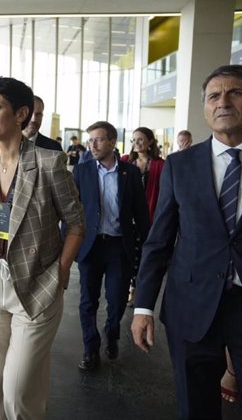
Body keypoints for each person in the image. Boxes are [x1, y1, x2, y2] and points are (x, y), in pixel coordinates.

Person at [0, 77, 85, 419]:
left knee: (17, 390)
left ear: (21, 114)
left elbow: (76, 224)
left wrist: (58, 275)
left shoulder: (48, 162)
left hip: (35, 285)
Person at [131, 65, 242, 419]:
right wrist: (143, 306)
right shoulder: (180, 166)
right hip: (190, 307)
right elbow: (158, 241)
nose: (223, 101)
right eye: (214, 96)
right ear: (206, 108)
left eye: (235, 93)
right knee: (196, 409)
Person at [73, 121, 150, 371]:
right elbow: (71, 211)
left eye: (98, 139)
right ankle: (90, 348)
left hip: (119, 247)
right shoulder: (82, 171)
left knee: (116, 301)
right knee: (87, 302)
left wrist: (149, 248)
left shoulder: (130, 173)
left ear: (112, 142)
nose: (92, 145)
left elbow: (141, 212)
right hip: (91, 246)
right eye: (90, 140)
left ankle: (112, 333)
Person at [121, 127, 165, 222]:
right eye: (133, 140)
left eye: (140, 139)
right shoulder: (125, 161)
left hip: (150, 213)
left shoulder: (160, 164)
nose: (136, 143)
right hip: (127, 212)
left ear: (150, 141)